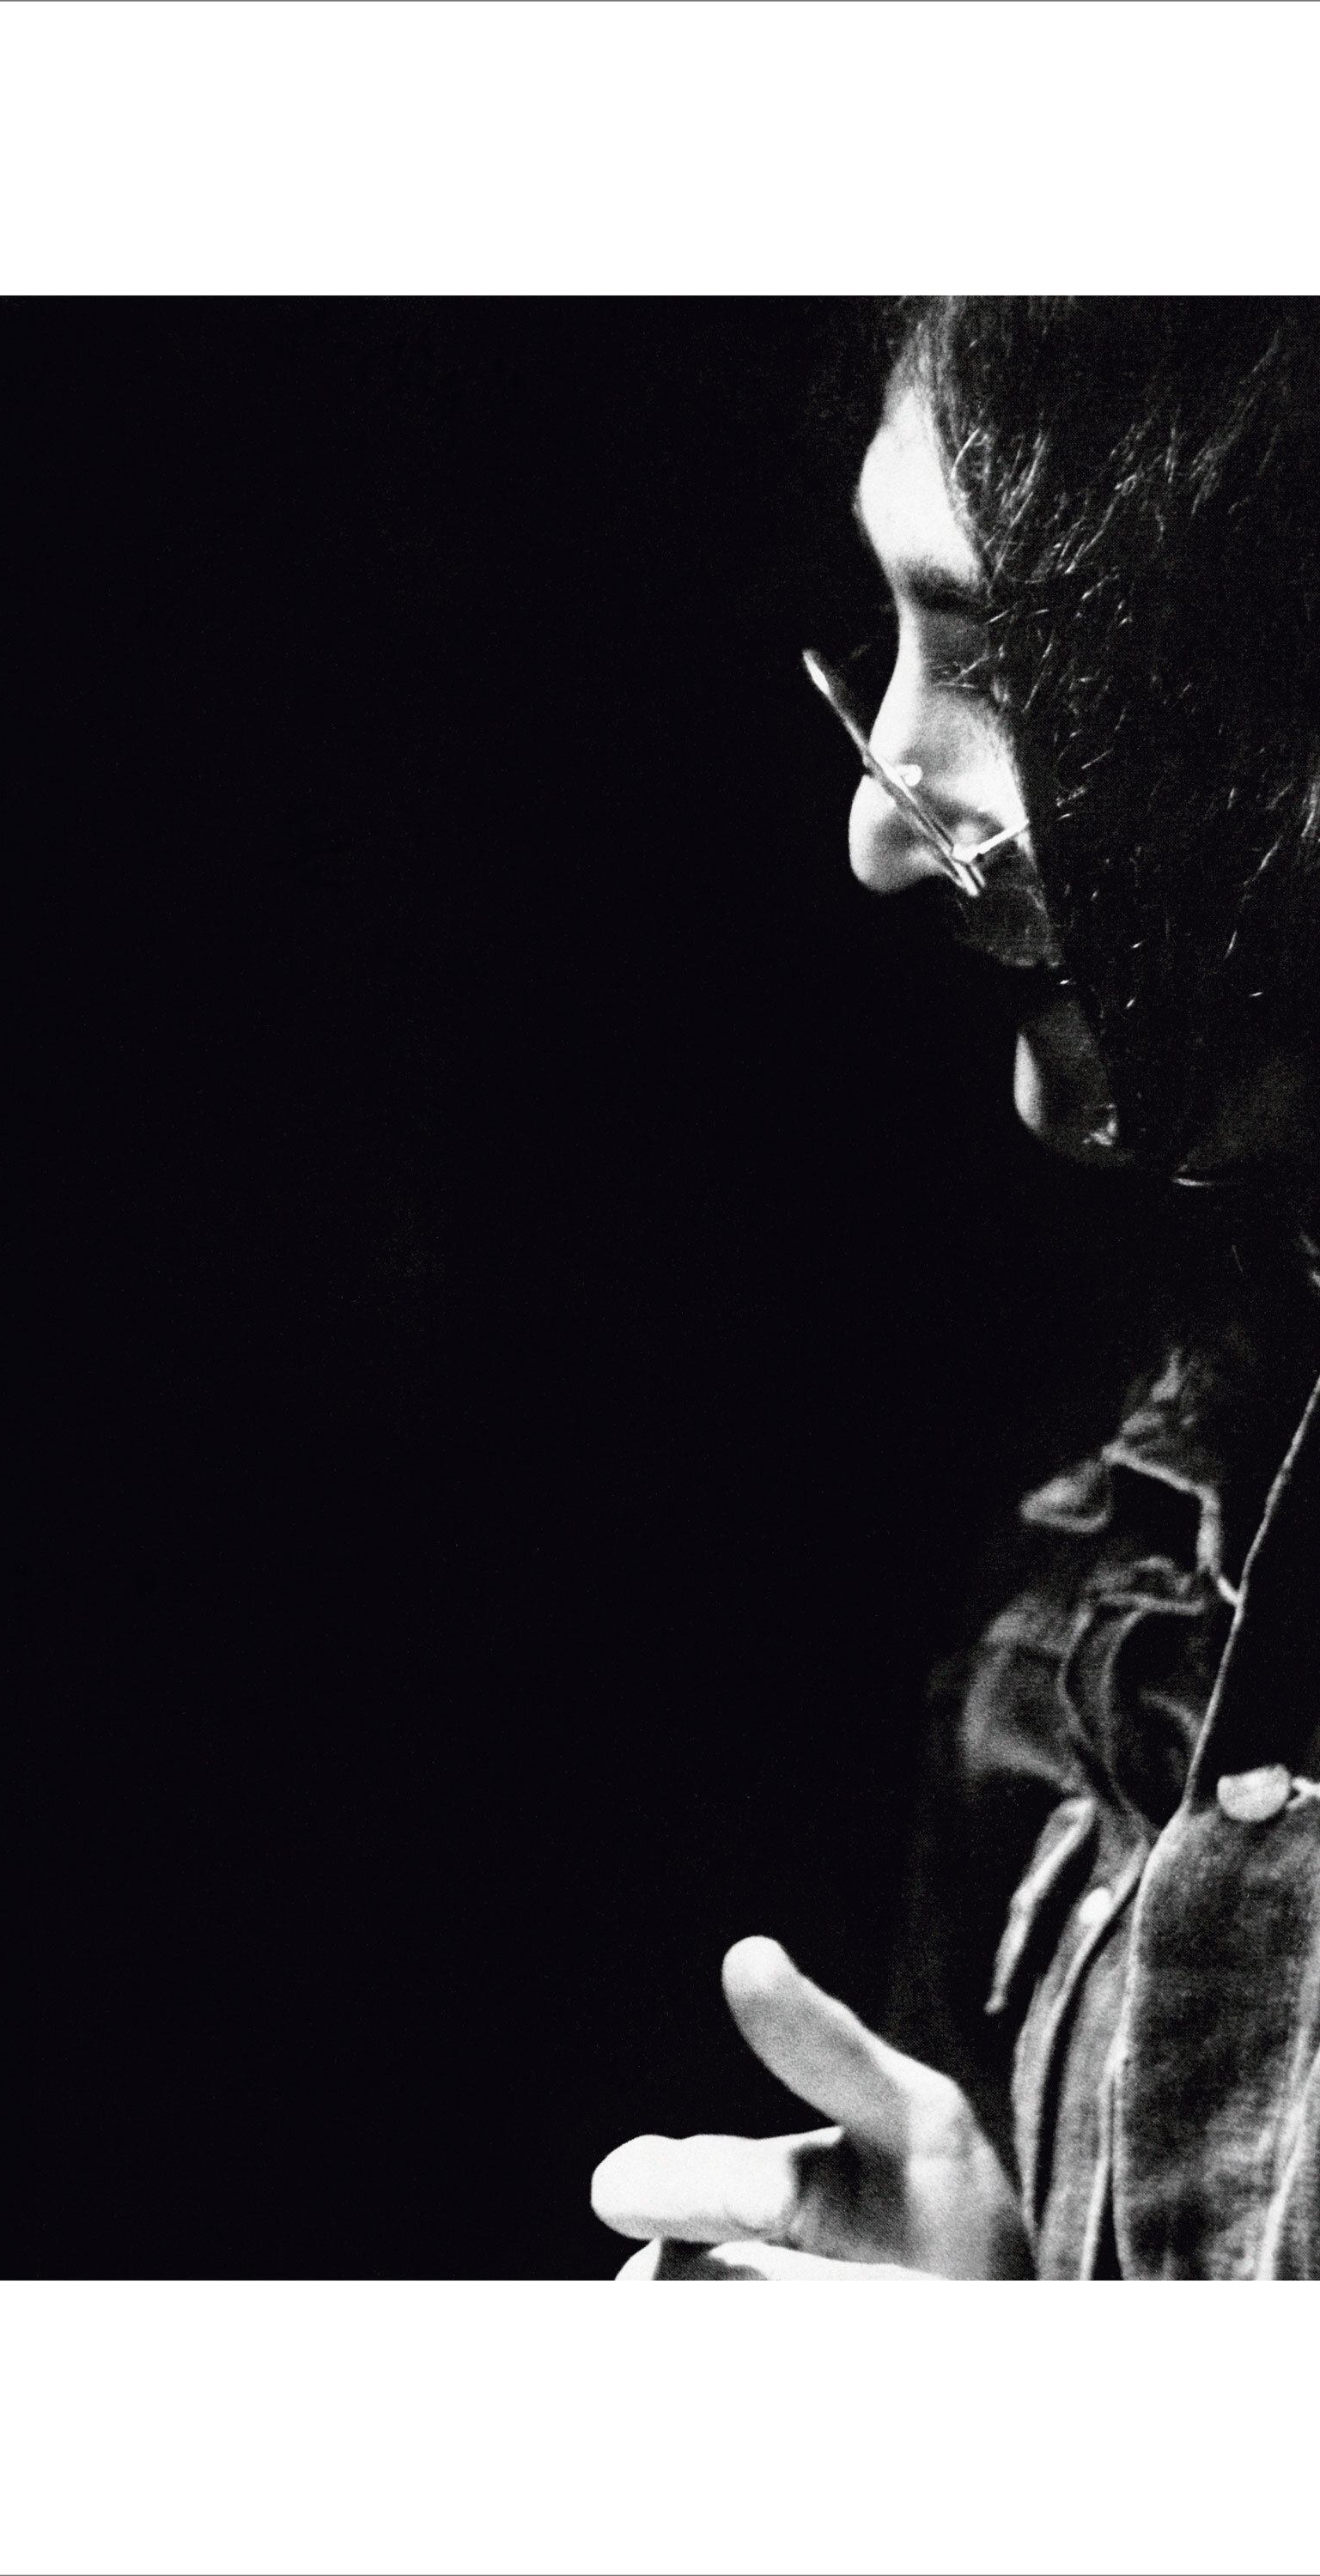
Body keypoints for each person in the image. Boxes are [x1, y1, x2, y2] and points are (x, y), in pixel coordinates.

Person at [594, 299, 1320, 2281]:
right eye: (892, 645)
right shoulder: (1129, 1577)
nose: (878, 827)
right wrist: (982, 2304)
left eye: (1004, 662)